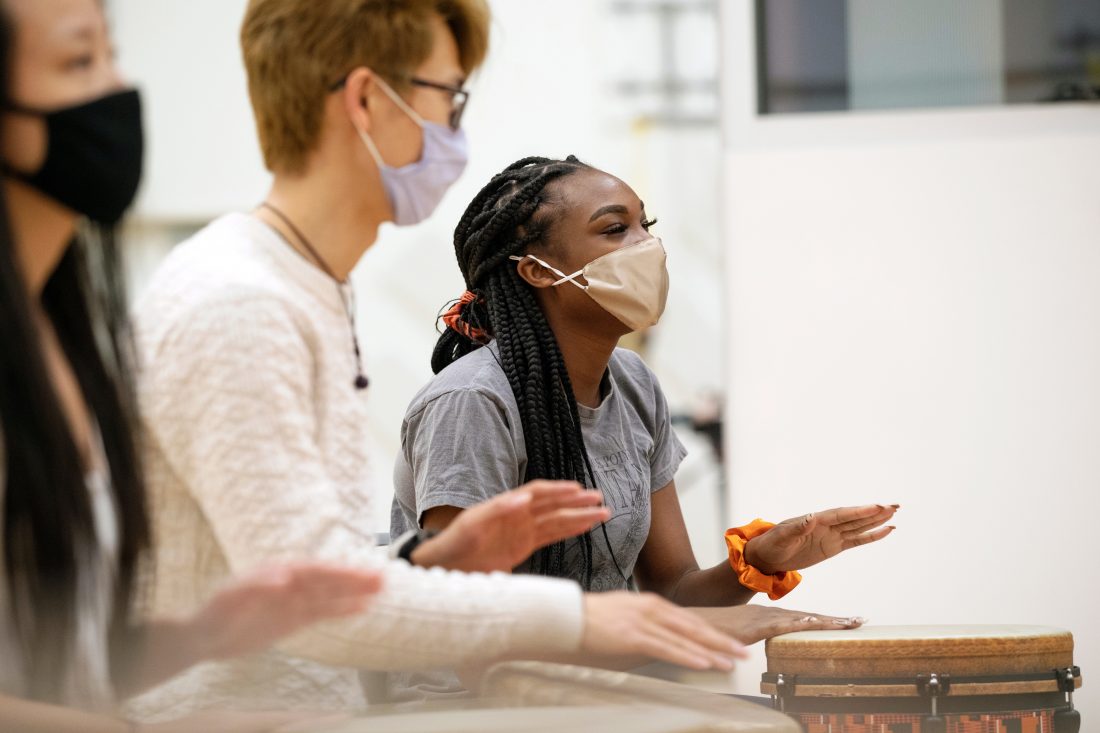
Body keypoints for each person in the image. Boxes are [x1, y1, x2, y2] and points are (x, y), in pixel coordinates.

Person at [127, 0, 744, 722]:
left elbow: (330, 579)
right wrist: (594, 621)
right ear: (366, 100)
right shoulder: (241, 303)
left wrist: (431, 559)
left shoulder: (307, 289)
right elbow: (315, 608)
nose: (457, 127)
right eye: (449, 96)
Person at [0, 0, 390, 730]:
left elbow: (55, 654)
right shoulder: (232, 295)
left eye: (112, 55)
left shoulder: (67, 336)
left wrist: (203, 636)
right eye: (80, 62)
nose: (118, 89)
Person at [389, 156, 899, 696]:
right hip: (463, 709)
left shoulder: (634, 384)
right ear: (537, 270)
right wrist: (688, 629)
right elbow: (468, 629)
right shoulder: (472, 402)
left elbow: (675, 591)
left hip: (583, 699)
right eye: (615, 230)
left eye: (644, 227)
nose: (646, 247)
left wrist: (753, 564)